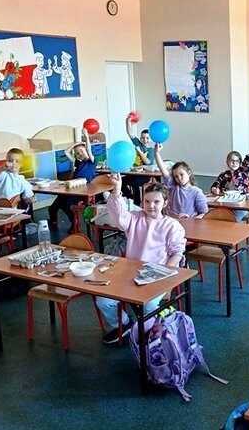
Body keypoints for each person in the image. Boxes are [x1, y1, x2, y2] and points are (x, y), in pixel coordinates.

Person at [96, 174, 186, 344]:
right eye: (147, 201)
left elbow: (177, 252)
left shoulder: (172, 225)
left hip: (156, 276)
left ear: (165, 203)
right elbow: (117, 216)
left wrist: (164, 272)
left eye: (156, 202)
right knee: (103, 300)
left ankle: (150, 329)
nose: (151, 205)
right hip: (130, 274)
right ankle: (124, 324)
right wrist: (117, 190)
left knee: (149, 305)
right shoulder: (135, 218)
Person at [48, 128, 96, 233]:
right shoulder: (78, 162)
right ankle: (53, 222)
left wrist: (86, 137)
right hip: (72, 188)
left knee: (65, 203)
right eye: (77, 153)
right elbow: (66, 152)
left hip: (82, 190)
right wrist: (76, 144)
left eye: (82, 151)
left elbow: (89, 150)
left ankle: (74, 221)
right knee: (53, 207)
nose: (80, 154)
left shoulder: (91, 162)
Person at [210, 144, 249, 221]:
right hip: (228, 203)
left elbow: (248, 159)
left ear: (240, 162)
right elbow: (215, 184)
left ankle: (234, 226)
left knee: (233, 218)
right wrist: (214, 189)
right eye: (232, 161)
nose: (234, 163)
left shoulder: (243, 171)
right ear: (227, 162)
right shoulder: (224, 174)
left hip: (242, 204)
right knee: (217, 215)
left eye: (237, 161)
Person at [154, 143, 208, 219]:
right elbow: (163, 170)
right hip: (172, 222)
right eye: (176, 176)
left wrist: (190, 220)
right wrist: (156, 153)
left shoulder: (197, 192)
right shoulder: (173, 187)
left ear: (189, 173)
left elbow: (204, 213)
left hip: (189, 223)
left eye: (181, 174)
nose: (179, 178)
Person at [121, 113, 154, 206]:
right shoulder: (138, 144)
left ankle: (136, 203)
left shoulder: (151, 150)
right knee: (122, 181)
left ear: (150, 139)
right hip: (134, 173)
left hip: (145, 175)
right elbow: (130, 133)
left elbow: (148, 162)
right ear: (140, 138)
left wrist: (139, 152)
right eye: (143, 138)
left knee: (134, 183)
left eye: (147, 138)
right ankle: (130, 198)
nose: (145, 140)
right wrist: (127, 122)